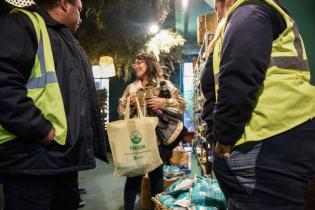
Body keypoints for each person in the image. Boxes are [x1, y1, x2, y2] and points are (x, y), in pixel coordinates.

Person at [205, 0, 315, 209]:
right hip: (268, 142)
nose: (216, 13)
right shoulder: (241, 18)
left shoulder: (249, 11)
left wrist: (223, 138)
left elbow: (239, 75)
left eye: (215, 6)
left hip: (271, 139)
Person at [0, 0, 107, 209]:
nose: (81, 18)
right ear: (65, 4)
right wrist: (42, 130)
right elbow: (4, 85)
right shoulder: (23, 24)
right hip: (32, 162)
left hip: (61, 160)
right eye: (80, 9)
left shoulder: (65, 41)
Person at [118, 53, 186, 210]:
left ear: (149, 64)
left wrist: (163, 102)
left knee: (156, 179)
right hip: (137, 140)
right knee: (133, 178)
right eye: (135, 63)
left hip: (158, 140)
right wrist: (130, 103)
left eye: (140, 62)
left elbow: (181, 106)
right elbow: (121, 111)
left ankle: (156, 207)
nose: (136, 66)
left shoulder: (164, 84)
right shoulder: (132, 88)